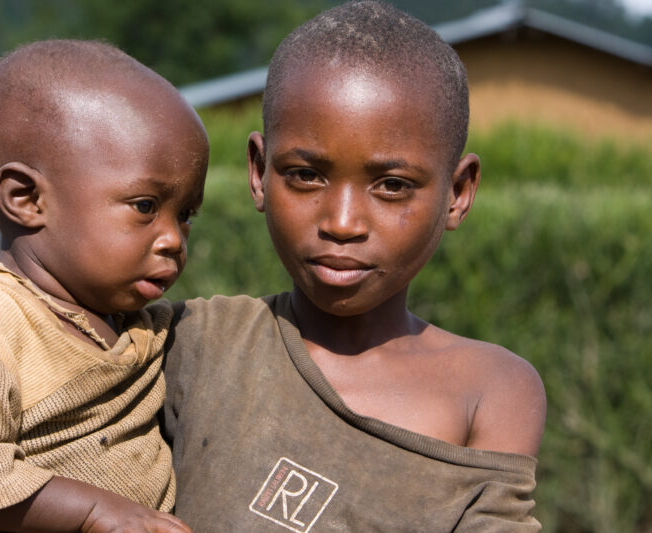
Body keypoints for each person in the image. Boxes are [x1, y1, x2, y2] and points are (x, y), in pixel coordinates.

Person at [162, 2, 546, 531]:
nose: (341, 222)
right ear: (258, 172)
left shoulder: (489, 389)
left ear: (457, 193)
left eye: (392, 186)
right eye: (305, 175)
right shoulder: (193, 344)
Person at [0, 39, 208, 533]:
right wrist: (98, 513)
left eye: (185, 216)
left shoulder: (135, 324)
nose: (173, 239)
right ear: (26, 198)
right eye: (145, 206)